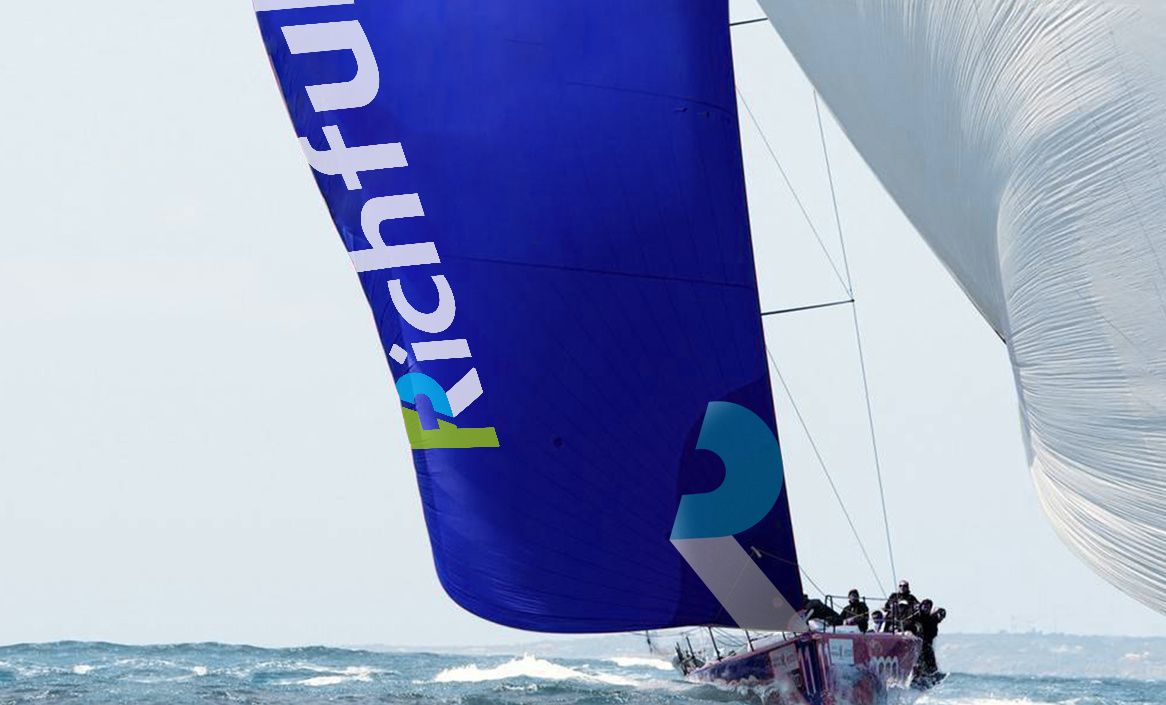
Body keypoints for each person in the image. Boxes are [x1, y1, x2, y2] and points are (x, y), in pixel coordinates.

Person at [910, 599, 947, 681]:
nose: (941, 618)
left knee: (929, 659)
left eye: (942, 617)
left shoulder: (933, 620)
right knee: (922, 660)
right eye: (924, 607)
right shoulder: (921, 618)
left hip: (926, 644)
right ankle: (919, 675)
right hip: (919, 644)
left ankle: (930, 675)